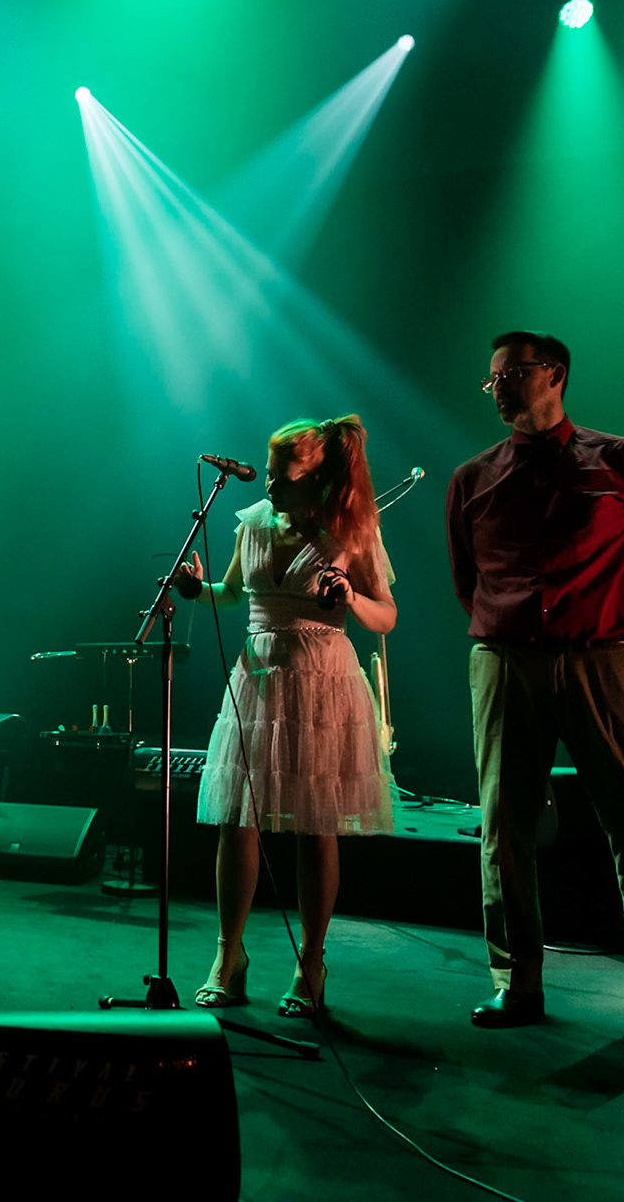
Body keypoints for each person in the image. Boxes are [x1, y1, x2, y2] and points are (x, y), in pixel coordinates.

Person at [447, 330, 624, 1057]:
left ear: (555, 375)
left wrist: (613, 626)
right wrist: (505, 636)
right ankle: (516, 983)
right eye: (491, 378)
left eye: (511, 374)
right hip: (505, 663)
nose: (498, 387)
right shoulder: (473, 477)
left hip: (602, 660)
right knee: (504, 829)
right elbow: (466, 578)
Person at [180, 417, 396, 1016]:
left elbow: (387, 615)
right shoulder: (252, 523)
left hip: (321, 681)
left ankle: (312, 961)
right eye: (269, 471)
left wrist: (350, 596)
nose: (269, 482)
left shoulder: (351, 532)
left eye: (282, 474)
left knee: (313, 824)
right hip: (255, 675)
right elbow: (232, 593)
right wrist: (198, 591)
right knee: (237, 818)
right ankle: (229, 955)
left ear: (318, 477)